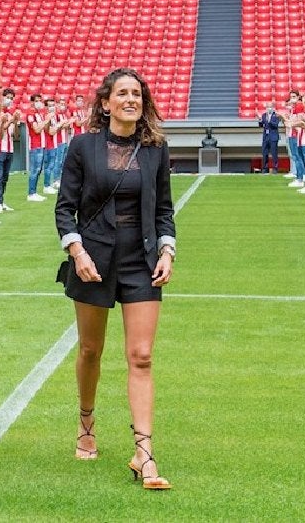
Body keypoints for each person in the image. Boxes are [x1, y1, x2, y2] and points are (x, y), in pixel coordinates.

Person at [55, 67, 175, 490]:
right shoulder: (83, 147)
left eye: (137, 94)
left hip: (140, 260)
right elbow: (64, 208)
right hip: (93, 258)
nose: (130, 100)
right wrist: (77, 252)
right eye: (122, 93)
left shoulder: (156, 149)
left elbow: (163, 209)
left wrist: (167, 249)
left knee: (141, 355)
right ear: (105, 103)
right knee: (90, 349)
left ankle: (144, 452)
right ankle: (86, 424)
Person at [0, 87, 21, 214]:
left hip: (10, 149)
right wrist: (10, 121)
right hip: (0, 148)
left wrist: (14, 123)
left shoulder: (10, 113)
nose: (9, 100)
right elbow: (1, 133)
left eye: (11, 98)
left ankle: (2, 201)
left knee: (5, 177)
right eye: (7, 97)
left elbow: (16, 135)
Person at [26, 93, 49, 201]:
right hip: (36, 145)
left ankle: (34, 191)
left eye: (40, 100)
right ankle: (31, 193)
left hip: (42, 144)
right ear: (32, 102)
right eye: (36, 100)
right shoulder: (31, 114)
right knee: (35, 169)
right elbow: (37, 129)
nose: (39, 103)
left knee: (39, 169)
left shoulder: (39, 114)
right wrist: (47, 120)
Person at [42, 97, 62, 194]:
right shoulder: (47, 117)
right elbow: (50, 132)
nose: (52, 107)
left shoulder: (53, 117)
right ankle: (46, 185)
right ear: (46, 107)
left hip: (54, 144)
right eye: (49, 106)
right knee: (49, 166)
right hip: (48, 144)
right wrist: (60, 125)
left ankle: (48, 184)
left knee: (52, 165)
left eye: (53, 105)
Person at [257, 102, 281, 173]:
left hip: (273, 136)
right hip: (266, 136)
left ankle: (275, 168)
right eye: (267, 107)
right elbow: (261, 125)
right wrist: (260, 120)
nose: (269, 108)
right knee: (265, 153)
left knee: (274, 153)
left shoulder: (276, 115)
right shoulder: (264, 115)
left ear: (273, 107)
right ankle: (265, 168)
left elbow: (275, 125)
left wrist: (269, 121)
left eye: (270, 107)